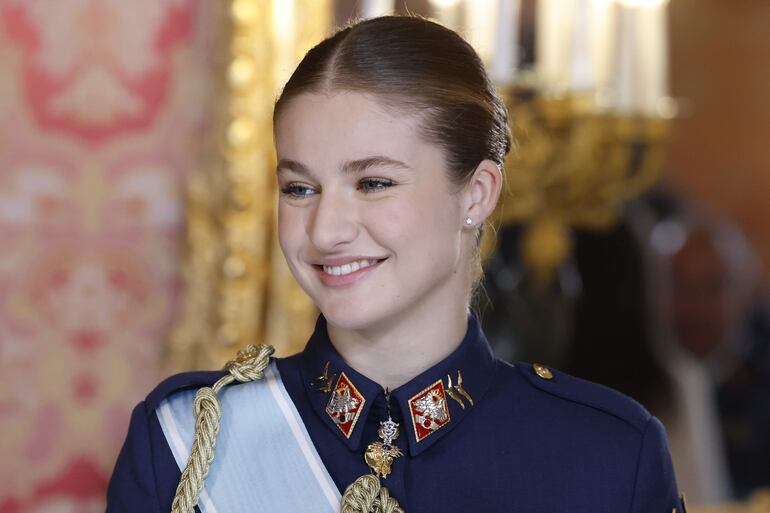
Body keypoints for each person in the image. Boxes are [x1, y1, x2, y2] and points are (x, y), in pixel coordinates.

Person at [105, 16, 686, 513]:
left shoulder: (607, 456)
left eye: (374, 182)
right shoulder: (186, 445)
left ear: (477, 194)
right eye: (299, 188)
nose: (326, 231)